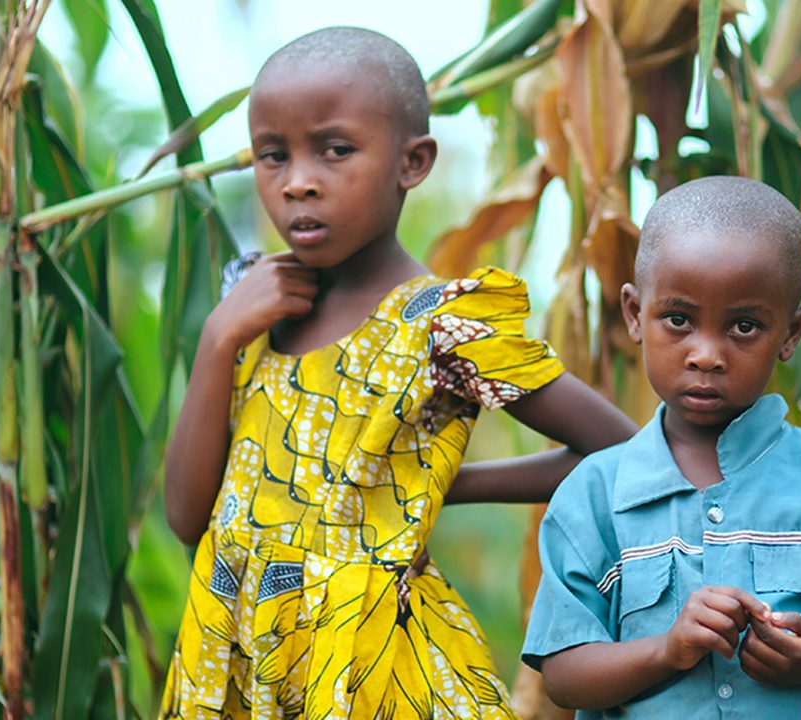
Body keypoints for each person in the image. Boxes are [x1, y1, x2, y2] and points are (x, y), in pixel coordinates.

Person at [159, 26, 638, 719]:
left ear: (412, 163)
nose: (297, 182)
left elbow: (623, 455)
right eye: (273, 155)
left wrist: (439, 488)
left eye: (335, 150)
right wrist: (217, 339)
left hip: (374, 669)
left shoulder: (440, 323)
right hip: (237, 657)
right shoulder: (250, 307)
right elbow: (187, 516)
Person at [521, 176, 801, 719]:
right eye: (679, 320)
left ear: (791, 333)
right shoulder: (595, 495)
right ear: (634, 314)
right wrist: (667, 650)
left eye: (744, 326)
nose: (707, 355)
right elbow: (564, 675)